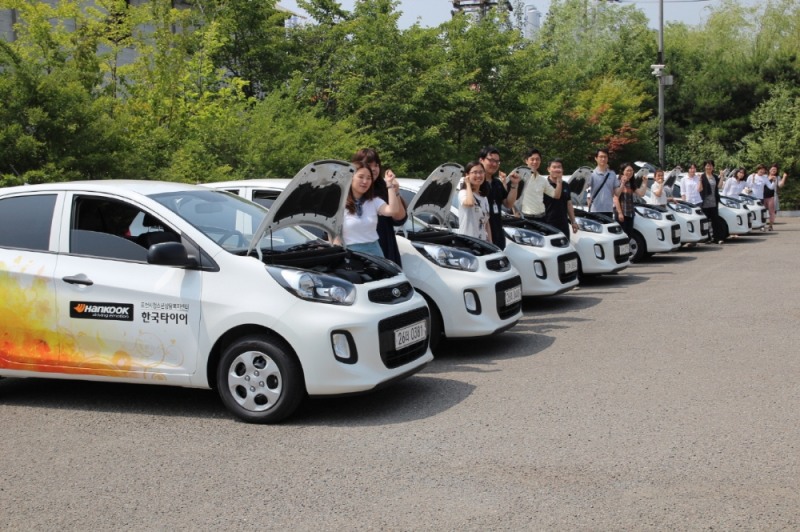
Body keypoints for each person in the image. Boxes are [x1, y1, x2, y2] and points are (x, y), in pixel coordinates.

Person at [351, 148, 407, 265]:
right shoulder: (346, 195)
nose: (374, 169)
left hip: (383, 244)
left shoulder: (384, 188)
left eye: (376, 165)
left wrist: (394, 191)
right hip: (355, 250)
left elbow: (400, 218)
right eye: (369, 164)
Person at [339, 160, 404, 257]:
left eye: (369, 178)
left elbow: (392, 210)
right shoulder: (339, 203)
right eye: (361, 177)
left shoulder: (374, 201)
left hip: (375, 251)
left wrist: (389, 185)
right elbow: (333, 235)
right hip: (350, 253)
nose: (365, 181)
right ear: (350, 177)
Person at [478, 146, 520, 249]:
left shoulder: (497, 183)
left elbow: (508, 204)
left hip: (497, 232)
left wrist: (514, 185)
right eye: (491, 160)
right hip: (481, 235)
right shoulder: (476, 183)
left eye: (497, 162)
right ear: (481, 160)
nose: (494, 164)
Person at [517, 147, 563, 220]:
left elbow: (556, 195)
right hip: (526, 217)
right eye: (532, 159)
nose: (535, 162)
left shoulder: (542, 180)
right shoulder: (520, 177)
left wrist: (559, 179)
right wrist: (515, 213)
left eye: (537, 159)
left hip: (542, 217)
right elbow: (512, 196)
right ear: (526, 161)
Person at [542, 158, 579, 238]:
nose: (557, 169)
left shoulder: (565, 185)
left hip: (563, 223)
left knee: (565, 247)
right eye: (554, 167)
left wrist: (573, 221)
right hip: (548, 223)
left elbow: (569, 204)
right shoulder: (544, 185)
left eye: (559, 167)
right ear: (548, 169)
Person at [456, 161, 492, 243]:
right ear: (467, 175)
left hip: (482, 241)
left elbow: (486, 223)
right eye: (475, 172)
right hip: (468, 242)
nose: (478, 175)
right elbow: (469, 203)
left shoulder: (484, 198)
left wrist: (490, 242)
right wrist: (468, 184)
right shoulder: (463, 193)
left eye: (481, 172)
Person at [613, 163, 646, 238]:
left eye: (631, 171)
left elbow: (641, 194)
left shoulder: (631, 182)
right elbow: (615, 198)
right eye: (627, 170)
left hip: (630, 213)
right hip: (621, 213)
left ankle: (627, 250)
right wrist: (620, 213)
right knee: (621, 236)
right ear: (623, 171)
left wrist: (644, 182)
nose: (630, 172)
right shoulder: (618, 181)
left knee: (629, 235)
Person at [699, 159, 727, 244]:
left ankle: (717, 238)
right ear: (704, 167)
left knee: (715, 221)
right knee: (705, 221)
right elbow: (700, 189)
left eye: (710, 165)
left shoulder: (715, 177)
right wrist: (700, 180)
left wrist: (722, 176)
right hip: (704, 202)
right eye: (707, 165)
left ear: (713, 167)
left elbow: (719, 186)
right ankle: (707, 238)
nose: (709, 167)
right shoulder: (702, 177)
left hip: (714, 201)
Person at [586, 148, 618, 218]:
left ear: (608, 158)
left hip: (609, 210)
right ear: (596, 158)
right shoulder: (591, 174)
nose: (603, 159)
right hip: (595, 210)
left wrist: (623, 183)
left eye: (605, 157)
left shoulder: (612, 174)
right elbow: (585, 188)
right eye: (601, 157)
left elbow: (617, 193)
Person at [764, 163, 789, 231]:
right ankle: (762, 225)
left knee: (772, 211)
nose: (774, 170)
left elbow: (780, 185)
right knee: (762, 211)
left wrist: (784, 177)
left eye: (775, 169)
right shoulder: (764, 176)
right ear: (769, 170)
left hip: (773, 196)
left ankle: (770, 225)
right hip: (763, 196)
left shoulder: (777, 177)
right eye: (772, 169)